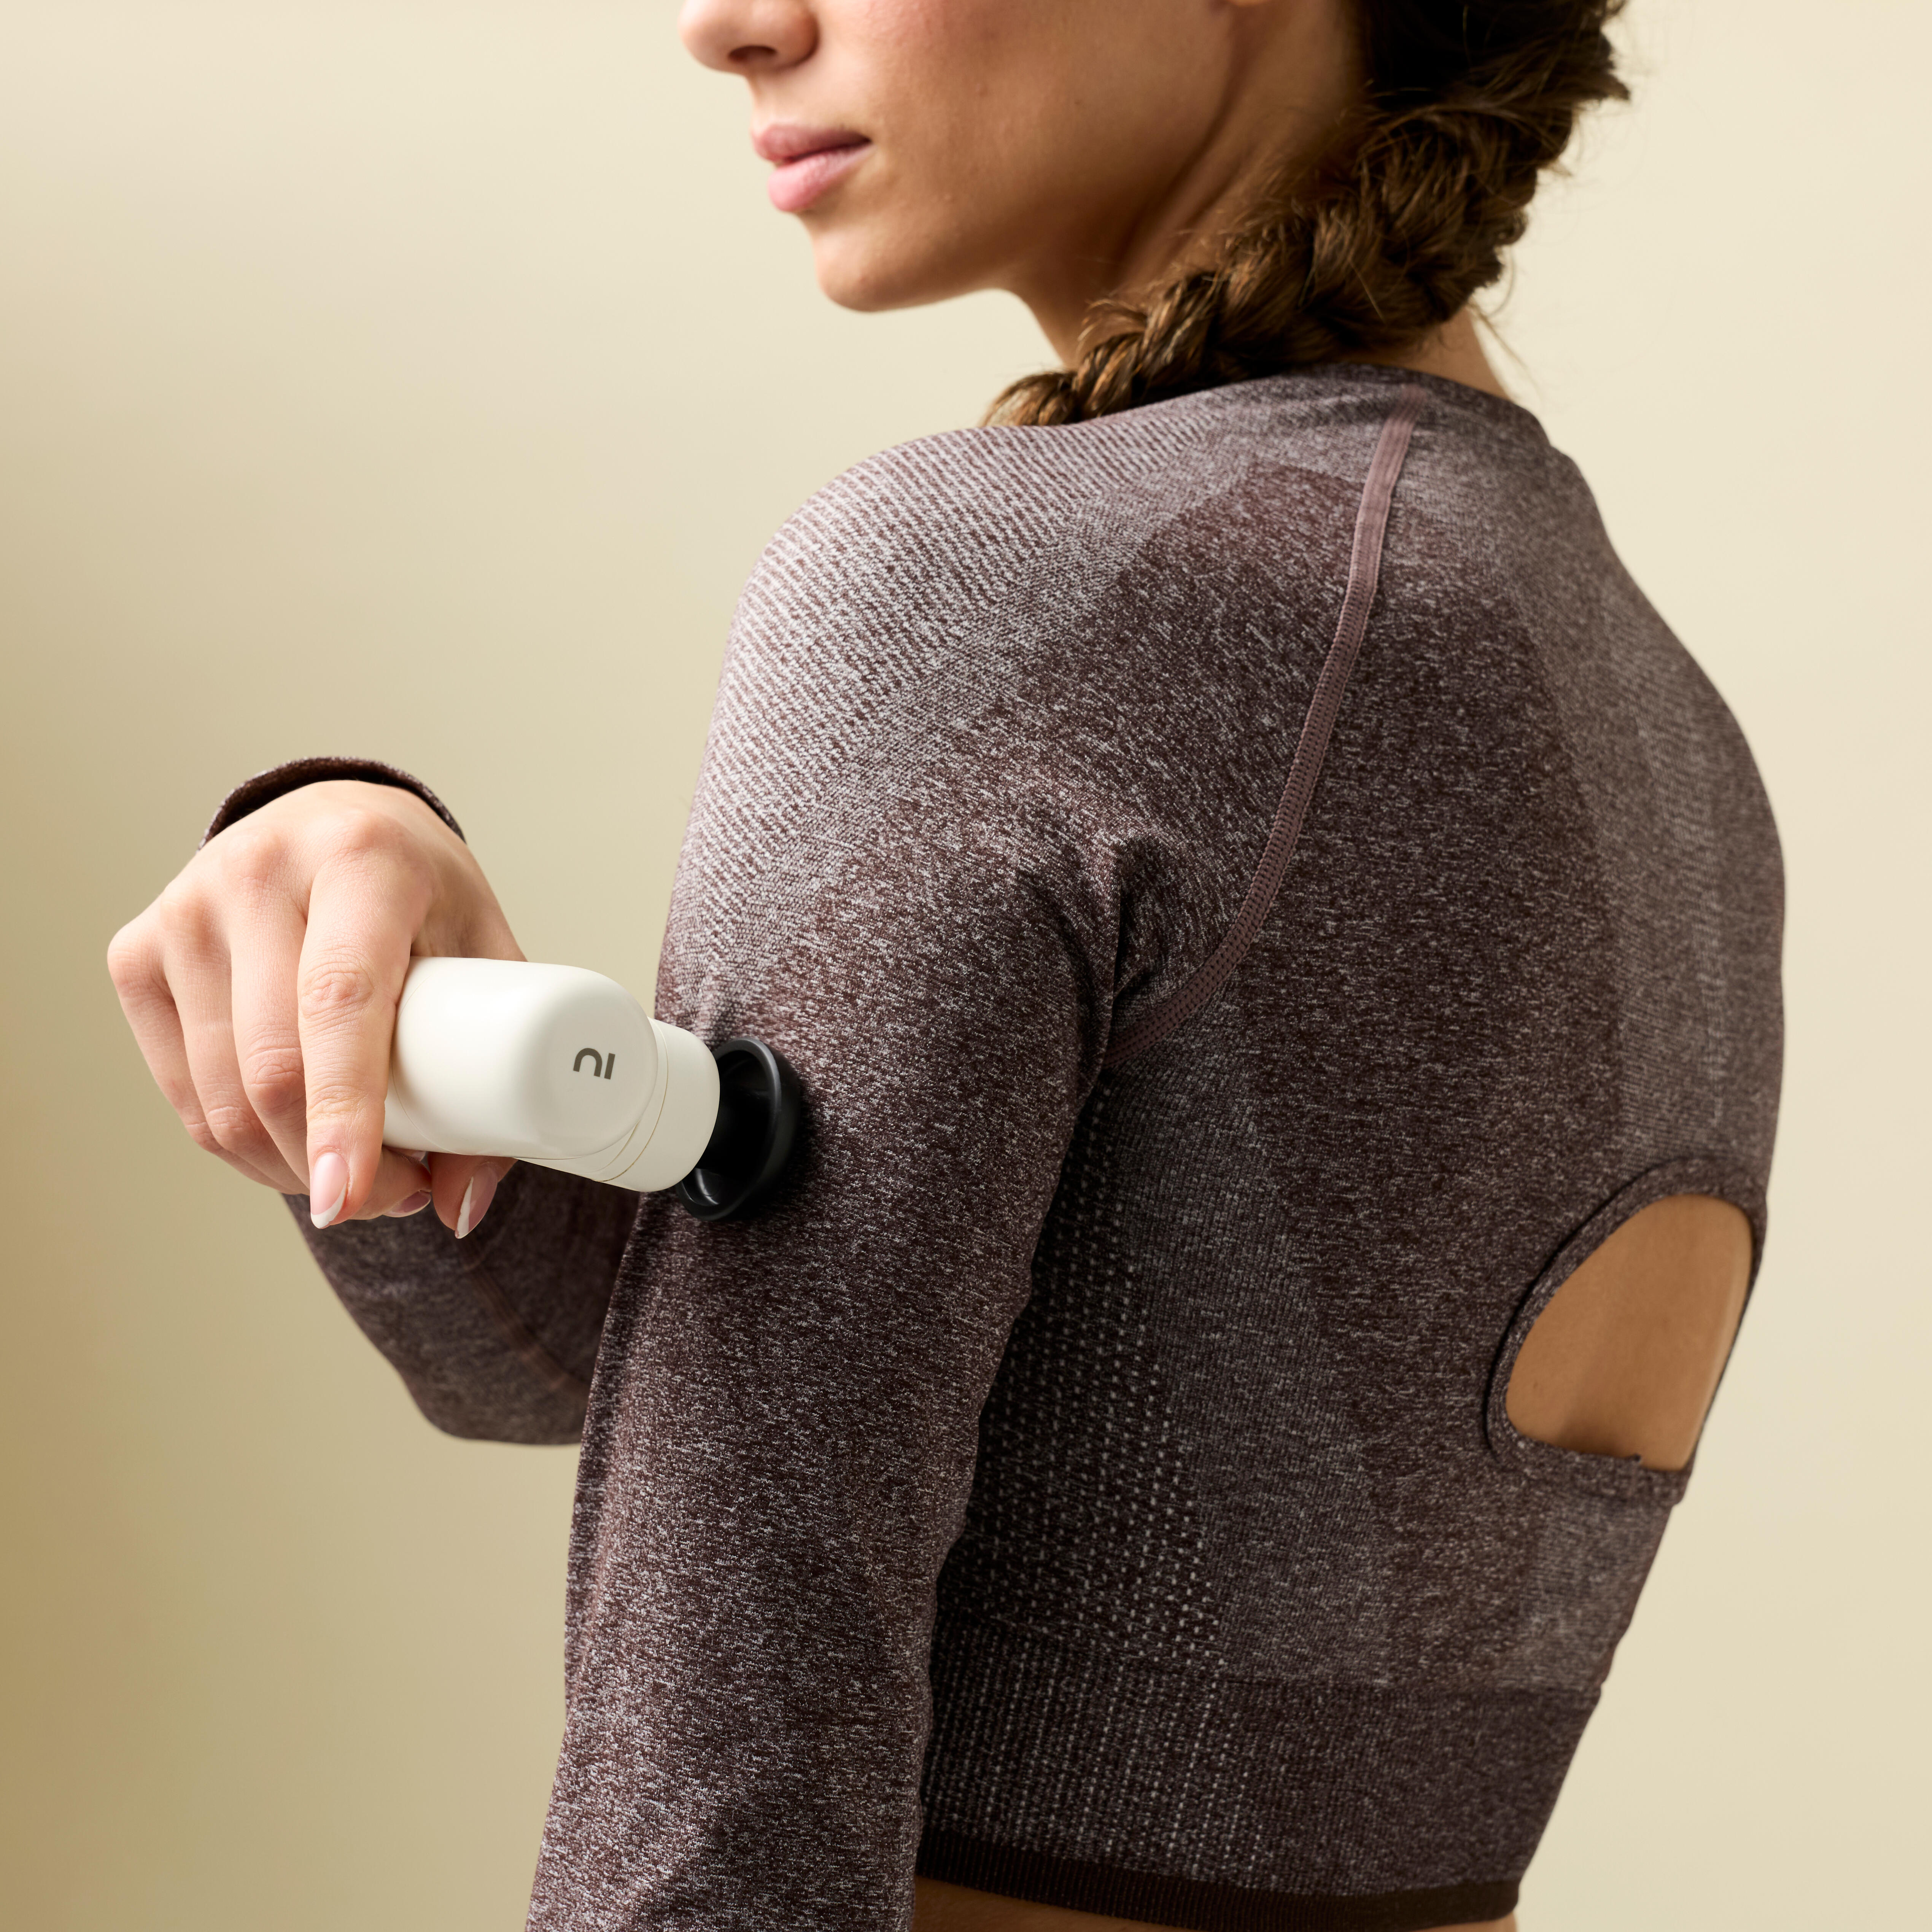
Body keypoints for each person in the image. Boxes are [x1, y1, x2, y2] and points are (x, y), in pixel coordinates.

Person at [106, 1, 1783, 1928]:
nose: (730, 25)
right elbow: (624, 1358)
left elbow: (731, 1708)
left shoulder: (1011, 580)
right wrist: (383, 995)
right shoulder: (1663, 732)